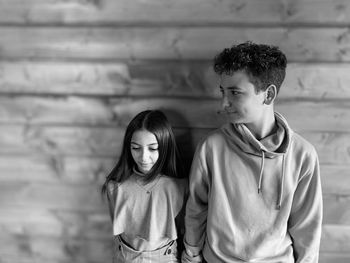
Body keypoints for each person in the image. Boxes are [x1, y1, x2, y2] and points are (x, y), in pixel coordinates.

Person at [182, 42, 323, 263]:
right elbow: (196, 209)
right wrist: (190, 254)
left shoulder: (302, 155)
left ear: (268, 95)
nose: (224, 102)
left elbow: (307, 227)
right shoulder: (211, 147)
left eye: (235, 93)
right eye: (222, 91)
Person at [102, 110, 187, 263]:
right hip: (124, 255)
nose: (143, 157)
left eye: (153, 148)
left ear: (165, 146)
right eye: (135, 148)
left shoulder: (178, 187)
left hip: (165, 256)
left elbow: (183, 227)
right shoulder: (115, 186)